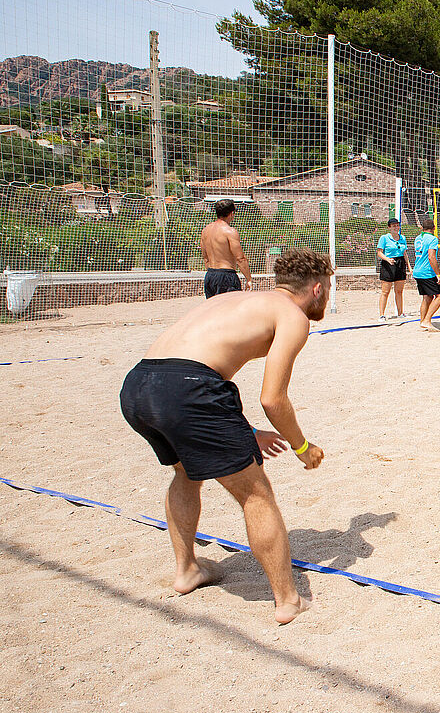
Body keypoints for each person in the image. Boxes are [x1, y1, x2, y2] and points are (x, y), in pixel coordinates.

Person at [119, 248, 332, 625]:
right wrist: (302, 447)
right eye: (328, 289)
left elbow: (192, 370)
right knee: (256, 494)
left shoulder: (236, 299)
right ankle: (287, 600)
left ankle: (187, 570)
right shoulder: (293, 316)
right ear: (317, 289)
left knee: (185, 473)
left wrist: (245, 431)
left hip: (139, 386)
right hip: (188, 391)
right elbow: (272, 398)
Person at [200, 198, 252, 298]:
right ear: (231, 213)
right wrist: (248, 279)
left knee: (214, 310)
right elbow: (240, 258)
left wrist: (213, 273)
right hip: (226, 275)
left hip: (210, 275)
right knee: (230, 310)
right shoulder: (229, 232)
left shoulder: (205, 230)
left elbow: (205, 257)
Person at [413, 219, 440, 332]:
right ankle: (427, 320)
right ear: (434, 228)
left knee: (427, 297)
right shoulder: (433, 239)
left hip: (417, 271)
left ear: (422, 228)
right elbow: (431, 257)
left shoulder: (418, 238)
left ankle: (422, 322)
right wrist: (439, 274)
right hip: (427, 272)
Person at [375, 218, 408, 320]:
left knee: (399, 291)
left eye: (397, 225)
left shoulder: (403, 238)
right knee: (385, 291)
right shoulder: (384, 238)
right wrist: (388, 259)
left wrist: (409, 267)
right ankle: (381, 315)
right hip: (388, 264)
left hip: (400, 264)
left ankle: (400, 313)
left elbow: (404, 253)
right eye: (393, 226)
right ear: (389, 227)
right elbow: (379, 252)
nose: (396, 227)